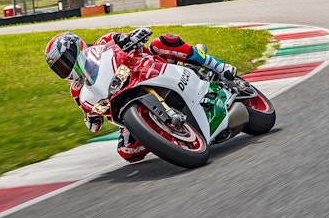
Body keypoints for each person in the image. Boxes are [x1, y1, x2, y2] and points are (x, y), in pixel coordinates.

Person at [44, 28, 236, 163]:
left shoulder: (104, 42)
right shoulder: (77, 90)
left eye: (66, 60)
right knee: (127, 151)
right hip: (121, 101)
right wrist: (92, 117)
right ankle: (168, 136)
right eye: (60, 67)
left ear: (77, 47)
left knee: (164, 42)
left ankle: (218, 66)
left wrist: (133, 37)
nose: (65, 68)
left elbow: (126, 38)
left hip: (145, 68)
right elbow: (92, 119)